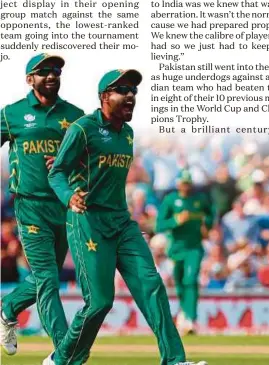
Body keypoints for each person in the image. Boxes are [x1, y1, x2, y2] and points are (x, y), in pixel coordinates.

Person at [46, 69, 203, 365]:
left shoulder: (127, 133)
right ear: (104, 97)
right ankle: (61, 359)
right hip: (88, 223)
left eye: (133, 90)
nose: (130, 95)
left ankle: (175, 360)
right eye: (122, 90)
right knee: (100, 303)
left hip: (122, 223)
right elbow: (57, 173)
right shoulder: (82, 129)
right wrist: (70, 196)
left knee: (152, 286)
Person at [0, 53, 85, 356]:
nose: (52, 75)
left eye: (56, 71)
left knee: (42, 278)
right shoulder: (12, 113)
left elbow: (92, 159)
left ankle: (8, 306)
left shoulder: (76, 116)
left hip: (64, 206)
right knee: (48, 279)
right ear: (29, 79)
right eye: (44, 71)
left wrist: (69, 160)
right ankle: (66, 351)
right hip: (30, 205)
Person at [155, 169, 214, 335]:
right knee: (180, 284)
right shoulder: (170, 200)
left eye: (188, 184)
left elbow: (210, 214)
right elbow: (159, 225)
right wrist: (176, 220)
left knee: (191, 279)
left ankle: (191, 318)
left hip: (194, 247)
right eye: (183, 184)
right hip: (176, 249)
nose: (186, 187)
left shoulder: (199, 200)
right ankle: (184, 314)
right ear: (178, 184)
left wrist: (206, 226)